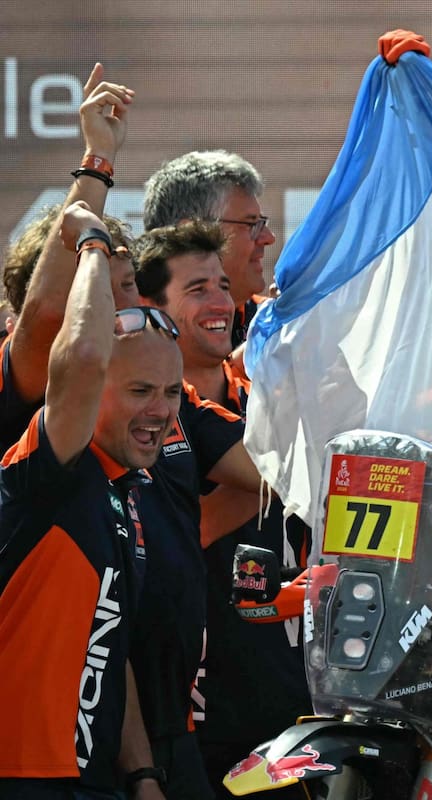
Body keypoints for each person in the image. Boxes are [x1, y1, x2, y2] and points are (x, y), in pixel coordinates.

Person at [0, 200, 174, 800]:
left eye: (171, 392)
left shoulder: (126, 489)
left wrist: (142, 773)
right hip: (20, 777)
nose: (161, 411)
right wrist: (93, 241)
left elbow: (106, 640)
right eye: (140, 391)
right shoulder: (48, 469)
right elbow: (82, 357)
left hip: (92, 783)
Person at [134, 225, 310, 797]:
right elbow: (179, 537)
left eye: (222, 285)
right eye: (196, 288)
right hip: (198, 715)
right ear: (150, 309)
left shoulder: (251, 401)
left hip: (289, 703)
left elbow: (282, 476)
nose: (219, 302)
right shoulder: (145, 415)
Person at [0, 64, 141, 452]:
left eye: (127, 284)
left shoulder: (166, 391)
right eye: (94, 285)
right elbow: (47, 311)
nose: (117, 303)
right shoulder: (30, 377)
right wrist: (99, 157)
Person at [142, 150, 277, 348]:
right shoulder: (128, 332)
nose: (268, 238)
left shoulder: (272, 321)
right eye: (251, 224)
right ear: (191, 233)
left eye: (262, 223)